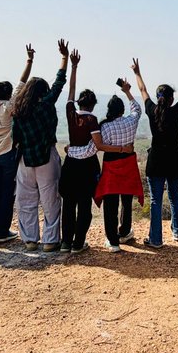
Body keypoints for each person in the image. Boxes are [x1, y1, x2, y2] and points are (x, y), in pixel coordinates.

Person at [10, 41, 69, 251]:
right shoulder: (45, 105)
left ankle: (30, 239)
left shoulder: (18, 110)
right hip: (46, 157)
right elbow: (59, 84)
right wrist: (64, 58)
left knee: (26, 200)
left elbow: (14, 137)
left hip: (25, 159)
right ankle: (50, 240)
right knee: (50, 199)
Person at [132, 59, 178, 247]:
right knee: (174, 197)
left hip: (155, 162)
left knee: (155, 200)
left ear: (158, 98)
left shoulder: (151, 110)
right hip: (173, 161)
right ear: (171, 99)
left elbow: (142, 91)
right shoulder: (177, 111)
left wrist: (137, 72)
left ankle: (155, 239)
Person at [0, 46, 32, 243]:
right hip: (6, 156)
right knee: (6, 194)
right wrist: (29, 61)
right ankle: (1, 231)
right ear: (9, 93)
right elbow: (22, 84)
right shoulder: (6, 109)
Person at [94, 78, 143, 252]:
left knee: (111, 202)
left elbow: (99, 146)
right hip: (128, 163)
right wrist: (127, 91)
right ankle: (124, 232)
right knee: (127, 200)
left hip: (111, 165)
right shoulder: (131, 121)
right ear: (122, 110)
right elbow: (137, 109)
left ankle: (113, 241)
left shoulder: (104, 127)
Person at [59, 50, 100, 253]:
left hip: (70, 164)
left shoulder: (71, 114)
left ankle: (66, 242)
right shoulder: (92, 120)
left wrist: (74, 67)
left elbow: (71, 91)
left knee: (68, 204)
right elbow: (97, 144)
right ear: (92, 105)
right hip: (87, 167)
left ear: (79, 103)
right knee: (84, 205)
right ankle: (78, 243)